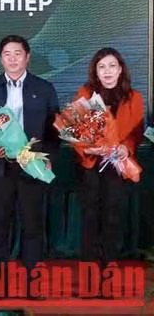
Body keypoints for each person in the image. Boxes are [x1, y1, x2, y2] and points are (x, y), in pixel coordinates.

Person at [0, 35, 59, 299]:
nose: (12, 58)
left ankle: (34, 286)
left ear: (27, 56)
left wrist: (47, 156)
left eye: (17, 53)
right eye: (7, 54)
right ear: (1, 58)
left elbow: (55, 130)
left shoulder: (44, 88)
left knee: (33, 228)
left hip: (32, 166)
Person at [72, 48, 143, 278]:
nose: (108, 71)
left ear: (120, 69)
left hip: (117, 166)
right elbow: (74, 131)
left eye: (112, 66)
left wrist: (125, 147)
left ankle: (109, 274)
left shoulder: (135, 97)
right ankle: (89, 277)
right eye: (102, 67)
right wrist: (88, 148)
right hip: (91, 165)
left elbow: (136, 133)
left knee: (113, 219)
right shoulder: (84, 94)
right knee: (91, 219)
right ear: (95, 71)